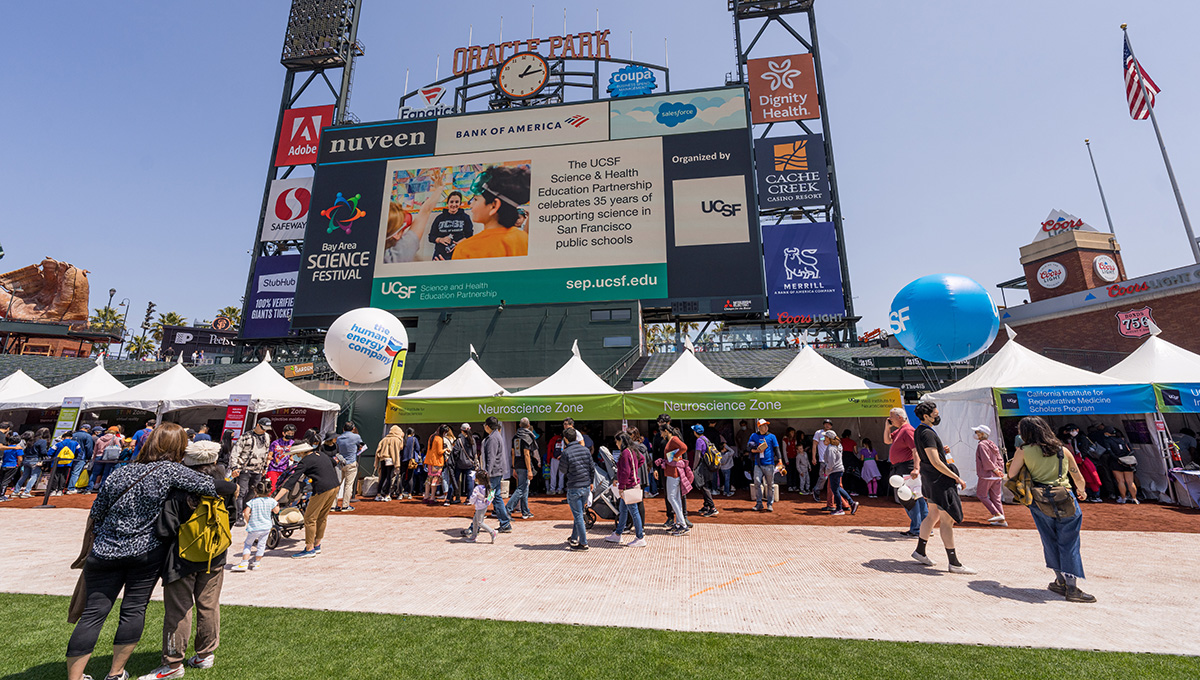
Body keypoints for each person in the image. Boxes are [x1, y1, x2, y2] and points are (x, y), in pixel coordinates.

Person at [65, 423, 217, 680]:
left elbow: (97, 512)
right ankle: (116, 672)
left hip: (105, 551)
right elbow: (212, 486)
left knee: (92, 614)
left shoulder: (121, 472)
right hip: (144, 553)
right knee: (134, 609)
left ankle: (75, 676)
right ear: (178, 447)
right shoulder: (170, 470)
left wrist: (108, 535)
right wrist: (234, 487)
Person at [141, 440, 237, 679]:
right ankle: (205, 654)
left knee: (178, 610)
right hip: (214, 554)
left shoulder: (178, 489)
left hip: (181, 556)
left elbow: (165, 528)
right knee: (209, 606)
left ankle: (173, 663)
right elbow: (232, 517)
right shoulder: (223, 488)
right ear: (214, 461)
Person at [1007, 416, 1095, 603]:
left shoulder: (1023, 451)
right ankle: (1072, 588)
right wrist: (1082, 492)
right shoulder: (1063, 450)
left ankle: (1060, 581)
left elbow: (1011, 474)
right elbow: (1077, 475)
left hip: (1039, 500)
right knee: (1069, 543)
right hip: (1065, 497)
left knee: (1049, 539)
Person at [910, 401, 975, 574]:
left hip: (930, 479)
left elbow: (929, 455)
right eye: (935, 414)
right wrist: (956, 477)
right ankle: (954, 563)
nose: (937, 416)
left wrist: (941, 451)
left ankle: (920, 551)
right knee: (947, 520)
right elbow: (935, 461)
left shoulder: (920, 431)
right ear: (926, 416)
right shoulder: (927, 434)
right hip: (940, 481)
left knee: (932, 515)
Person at [276, 441, 338, 559]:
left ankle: (309, 549)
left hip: (322, 488)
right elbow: (334, 462)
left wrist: (276, 499)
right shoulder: (321, 454)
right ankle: (317, 544)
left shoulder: (305, 461)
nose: (294, 456)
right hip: (334, 486)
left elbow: (291, 481)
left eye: (295, 453)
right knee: (322, 517)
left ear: (300, 452)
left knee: (309, 518)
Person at [453, 165, 531, 259]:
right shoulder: (525, 240)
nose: (471, 205)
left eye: (476, 200)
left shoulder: (466, 249)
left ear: (494, 205)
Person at [884, 407, 926, 537]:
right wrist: (887, 428)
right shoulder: (900, 431)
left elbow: (916, 450)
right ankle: (924, 527)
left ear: (900, 417)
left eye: (891, 417)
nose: (889, 419)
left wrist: (916, 468)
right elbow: (887, 441)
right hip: (901, 468)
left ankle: (918, 529)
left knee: (908, 497)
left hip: (907, 468)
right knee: (916, 498)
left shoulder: (907, 430)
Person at [605, 432, 647, 547]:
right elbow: (642, 460)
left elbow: (625, 472)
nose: (616, 444)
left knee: (633, 511)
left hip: (628, 486)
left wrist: (621, 487)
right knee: (623, 509)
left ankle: (640, 537)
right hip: (632, 484)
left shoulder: (624, 453)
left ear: (621, 441)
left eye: (617, 442)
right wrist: (634, 469)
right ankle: (618, 534)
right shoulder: (633, 450)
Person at [230, 419, 272, 526]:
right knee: (241, 492)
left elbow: (266, 453)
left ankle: (244, 509)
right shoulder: (246, 436)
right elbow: (235, 452)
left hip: (258, 469)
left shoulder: (267, 437)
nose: (264, 431)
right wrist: (234, 467)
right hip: (244, 468)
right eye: (262, 428)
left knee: (253, 491)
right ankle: (238, 515)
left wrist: (264, 467)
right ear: (257, 425)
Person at [232, 478, 279, 572]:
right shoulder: (272, 501)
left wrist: (249, 521)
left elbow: (246, 513)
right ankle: (257, 564)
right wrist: (276, 504)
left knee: (248, 544)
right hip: (266, 527)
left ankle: (244, 563)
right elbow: (276, 511)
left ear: (256, 491)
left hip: (254, 527)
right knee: (262, 545)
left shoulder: (252, 502)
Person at [560, 427, 595, 550]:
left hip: (574, 486)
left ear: (565, 439)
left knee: (578, 515)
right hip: (585, 486)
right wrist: (591, 481)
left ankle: (583, 542)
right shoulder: (585, 450)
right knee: (579, 512)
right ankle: (574, 538)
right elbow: (592, 467)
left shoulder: (566, 452)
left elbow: (563, 470)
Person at [656, 424, 694, 535]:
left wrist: (676, 456)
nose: (661, 434)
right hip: (673, 472)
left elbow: (684, 447)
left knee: (671, 497)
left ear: (666, 431)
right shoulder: (672, 440)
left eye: (662, 432)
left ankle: (682, 524)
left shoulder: (673, 439)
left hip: (673, 472)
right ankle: (678, 524)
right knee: (676, 498)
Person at [481, 416, 513, 533]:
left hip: (493, 473)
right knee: (496, 497)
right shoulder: (497, 436)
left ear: (487, 426)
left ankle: (476, 523)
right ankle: (505, 523)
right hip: (497, 472)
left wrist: (487, 473)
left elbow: (491, 457)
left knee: (488, 497)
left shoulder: (492, 438)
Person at [1059, 424, 1103, 503]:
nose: (1071, 432)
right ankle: (1087, 494)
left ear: (1077, 430)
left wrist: (1081, 459)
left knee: (1092, 477)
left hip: (1086, 460)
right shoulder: (1073, 439)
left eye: (1072, 430)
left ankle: (1096, 495)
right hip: (1078, 461)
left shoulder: (1082, 438)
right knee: (1084, 478)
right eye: (1069, 431)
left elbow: (1084, 449)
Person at [973, 425, 1006, 526]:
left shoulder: (981, 445)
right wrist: (999, 470)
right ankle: (1002, 520)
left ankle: (996, 513)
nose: (975, 434)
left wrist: (995, 470)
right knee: (996, 497)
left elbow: (986, 460)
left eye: (977, 432)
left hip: (987, 475)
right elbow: (1000, 458)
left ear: (982, 434)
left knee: (981, 495)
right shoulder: (992, 444)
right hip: (996, 476)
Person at [823, 431, 858, 515]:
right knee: (838, 488)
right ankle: (851, 502)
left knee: (835, 490)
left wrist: (827, 471)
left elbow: (831, 462)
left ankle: (839, 509)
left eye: (826, 437)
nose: (824, 439)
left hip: (834, 470)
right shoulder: (838, 445)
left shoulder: (831, 448)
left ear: (829, 438)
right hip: (838, 470)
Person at [507, 418, 536, 519]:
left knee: (524, 488)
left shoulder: (515, 437)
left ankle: (525, 511)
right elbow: (526, 454)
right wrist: (530, 470)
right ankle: (508, 510)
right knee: (521, 488)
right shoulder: (527, 437)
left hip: (518, 465)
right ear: (528, 426)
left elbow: (513, 453)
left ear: (520, 425)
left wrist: (514, 467)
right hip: (524, 466)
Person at [1102, 426, 1139, 504]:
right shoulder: (1123, 439)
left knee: (1120, 481)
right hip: (1128, 462)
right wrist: (1126, 458)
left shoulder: (1107, 440)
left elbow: (1110, 452)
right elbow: (1131, 450)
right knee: (1130, 482)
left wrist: (1117, 459)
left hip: (1116, 463)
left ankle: (1123, 498)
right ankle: (1134, 498)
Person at [748, 419, 779, 512]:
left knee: (770, 484)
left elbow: (777, 449)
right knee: (757, 482)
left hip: (769, 463)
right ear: (759, 427)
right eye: (764, 425)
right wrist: (756, 450)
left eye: (766, 425)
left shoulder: (771, 436)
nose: (766, 427)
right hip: (758, 463)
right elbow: (748, 447)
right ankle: (759, 503)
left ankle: (769, 504)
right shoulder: (754, 436)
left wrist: (780, 461)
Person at [333, 421, 363, 512]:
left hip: (340, 463)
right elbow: (362, 446)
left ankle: (333, 505)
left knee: (337, 484)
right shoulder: (356, 437)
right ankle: (345, 505)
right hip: (351, 463)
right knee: (348, 485)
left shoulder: (339, 438)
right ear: (353, 429)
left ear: (343, 429)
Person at [690, 424, 719, 517]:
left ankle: (712, 507)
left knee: (702, 486)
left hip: (703, 466)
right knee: (705, 484)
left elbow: (698, 455)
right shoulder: (705, 439)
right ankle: (706, 506)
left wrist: (694, 468)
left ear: (695, 432)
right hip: (708, 465)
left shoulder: (699, 440)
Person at [446, 423, 477, 505]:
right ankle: (469, 499)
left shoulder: (459, 440)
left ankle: (448, 499)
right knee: (469, 481)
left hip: (459, 464)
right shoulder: (473, 440)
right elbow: (474, 453)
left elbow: (455, 452)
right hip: (469, 464)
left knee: (454, 480)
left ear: (462, 431)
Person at [15, 427, 51, 498]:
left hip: (26, 459)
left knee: (24, 476)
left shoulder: (30, 440)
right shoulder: (42, 441)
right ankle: (26, 491)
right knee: (34, 476)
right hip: (35, 459)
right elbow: (43, 452)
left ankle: (16, 491)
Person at [88, 427, 125, 494]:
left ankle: (89, 488)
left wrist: (93, 459)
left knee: (95, 473)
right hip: (109, 457)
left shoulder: (100, 439)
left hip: (99, 457)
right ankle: (102, 489)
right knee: (106, 473)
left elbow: (95, 450)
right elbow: (119, 447)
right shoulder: (115, 438)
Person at [373, 425, 404, 502]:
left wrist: (376, 461)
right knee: (389, 477)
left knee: (382, 477)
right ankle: (387, 495)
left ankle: (378, 494)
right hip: (391, 459)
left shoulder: (384, 439)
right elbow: (397, 451)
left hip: (382, 459)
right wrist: (397, 464)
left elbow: (378, 450)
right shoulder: (397, 440)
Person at [465, 471, 498, 543]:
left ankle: (492, 532)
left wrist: (471, 501)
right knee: (475, 521)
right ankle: (474, 536)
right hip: (483, 506)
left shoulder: (477, 488)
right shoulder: (488, 487)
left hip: (479, 507)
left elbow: (473, 498)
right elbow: (491, 496)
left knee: (480, 522)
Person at [264, 424, 296, 491]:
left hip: (285, 469)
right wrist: (268, 459)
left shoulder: (293, 443)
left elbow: (292, 457)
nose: (290, 435)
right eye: (288, 433)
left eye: (292, 433)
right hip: (273, 468)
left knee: (281, 488)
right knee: (272, 488)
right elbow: (270, 454)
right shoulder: (275, 443)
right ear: (283, 433)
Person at [423, 425, 450, 504]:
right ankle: (432, 497)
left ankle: (426, 496)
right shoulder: (439, 439)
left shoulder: (432, 436)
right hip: (437, 462)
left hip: (429, 461)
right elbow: (439, 452)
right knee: (435, 480)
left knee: (429, 479)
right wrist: (445, 449)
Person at [398, 427, 420, 500]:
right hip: (411, 460)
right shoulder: (414, 439)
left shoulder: (403, 439)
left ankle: (400, 494)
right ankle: (410, 494)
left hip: (403, 459)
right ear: (413, 433)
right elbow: (417, 448)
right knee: (410, 477)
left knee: (402, 476)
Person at [0, 432, 23, 500]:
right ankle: (1, 496)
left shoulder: (6, 448)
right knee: (6, 482)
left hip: (4, 465)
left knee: (1, 481)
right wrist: (18, 465)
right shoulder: (18, 448)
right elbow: (20, 459)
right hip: (12, 466)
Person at [546, 429, 566, 495]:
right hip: (562, 458)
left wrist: (548, 460)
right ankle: (560, 489)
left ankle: (552, 489)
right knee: (561, 474)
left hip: (554, 458)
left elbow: (549, 450)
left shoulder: (552, 440)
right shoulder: (563, 440)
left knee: (553, 474)